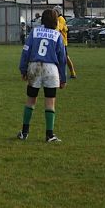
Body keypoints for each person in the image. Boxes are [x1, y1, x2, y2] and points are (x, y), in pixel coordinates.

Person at [18, 9, 66, 142]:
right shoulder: (57, 35)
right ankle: (49, 135)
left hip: (34, 67)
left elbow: (26, 51)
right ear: (55, 20)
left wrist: (23, 69)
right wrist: (63, 78)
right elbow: (62, 58)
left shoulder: (34, 32)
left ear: (42, 20)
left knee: (30, 100)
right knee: (50, 102)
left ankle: (24, 132)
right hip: (51, 69)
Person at [54, 5, 77, 79]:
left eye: (55, 12)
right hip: (59, 42)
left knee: (65, 58)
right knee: (62, 58)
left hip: (62, 42)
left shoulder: (61, 19)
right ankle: (70, 74)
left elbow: (58, 29)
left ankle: (72, 73)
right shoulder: (58, 19)